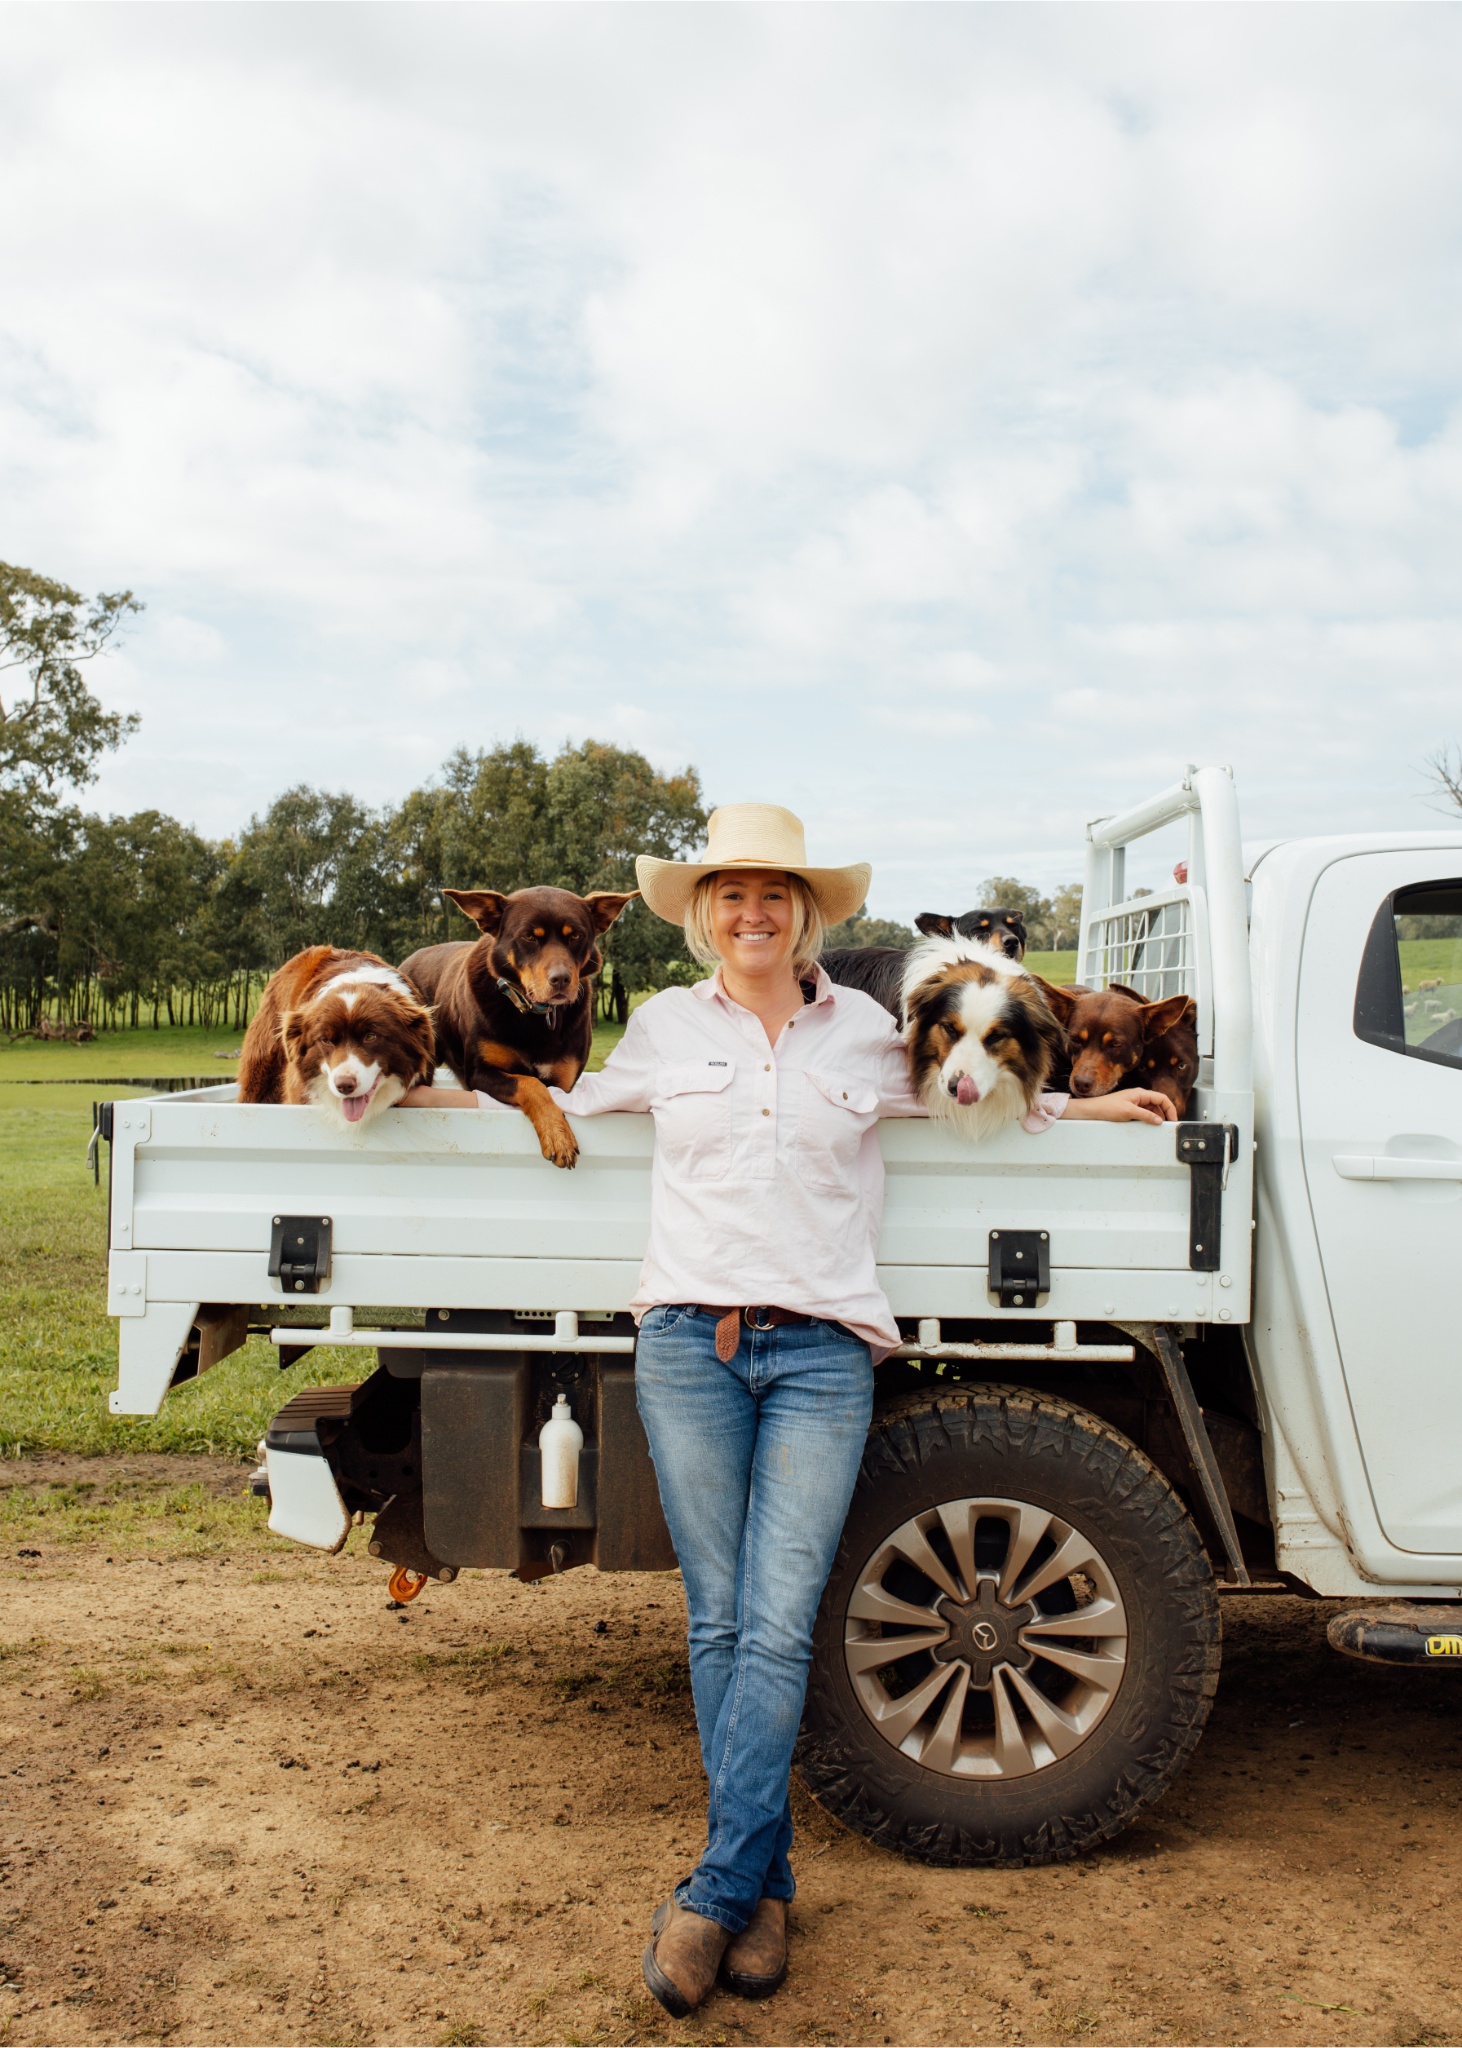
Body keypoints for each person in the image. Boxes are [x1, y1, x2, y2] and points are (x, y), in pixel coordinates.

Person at [405, 804, 1171, 2016]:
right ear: (702, 913)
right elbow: (575, 1101)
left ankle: (715, 1889)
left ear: (805, 914)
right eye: (728, 895)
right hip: (686, 1345)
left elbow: (963, 1087)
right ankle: (765, 1887)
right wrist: (415, 1096)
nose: (750, 913)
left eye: (774, 896)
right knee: (717, 1622)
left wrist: (1080, 1109)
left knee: (776, 1619)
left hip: (819, 1352)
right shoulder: (661, 1026)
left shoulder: (867, 1031)